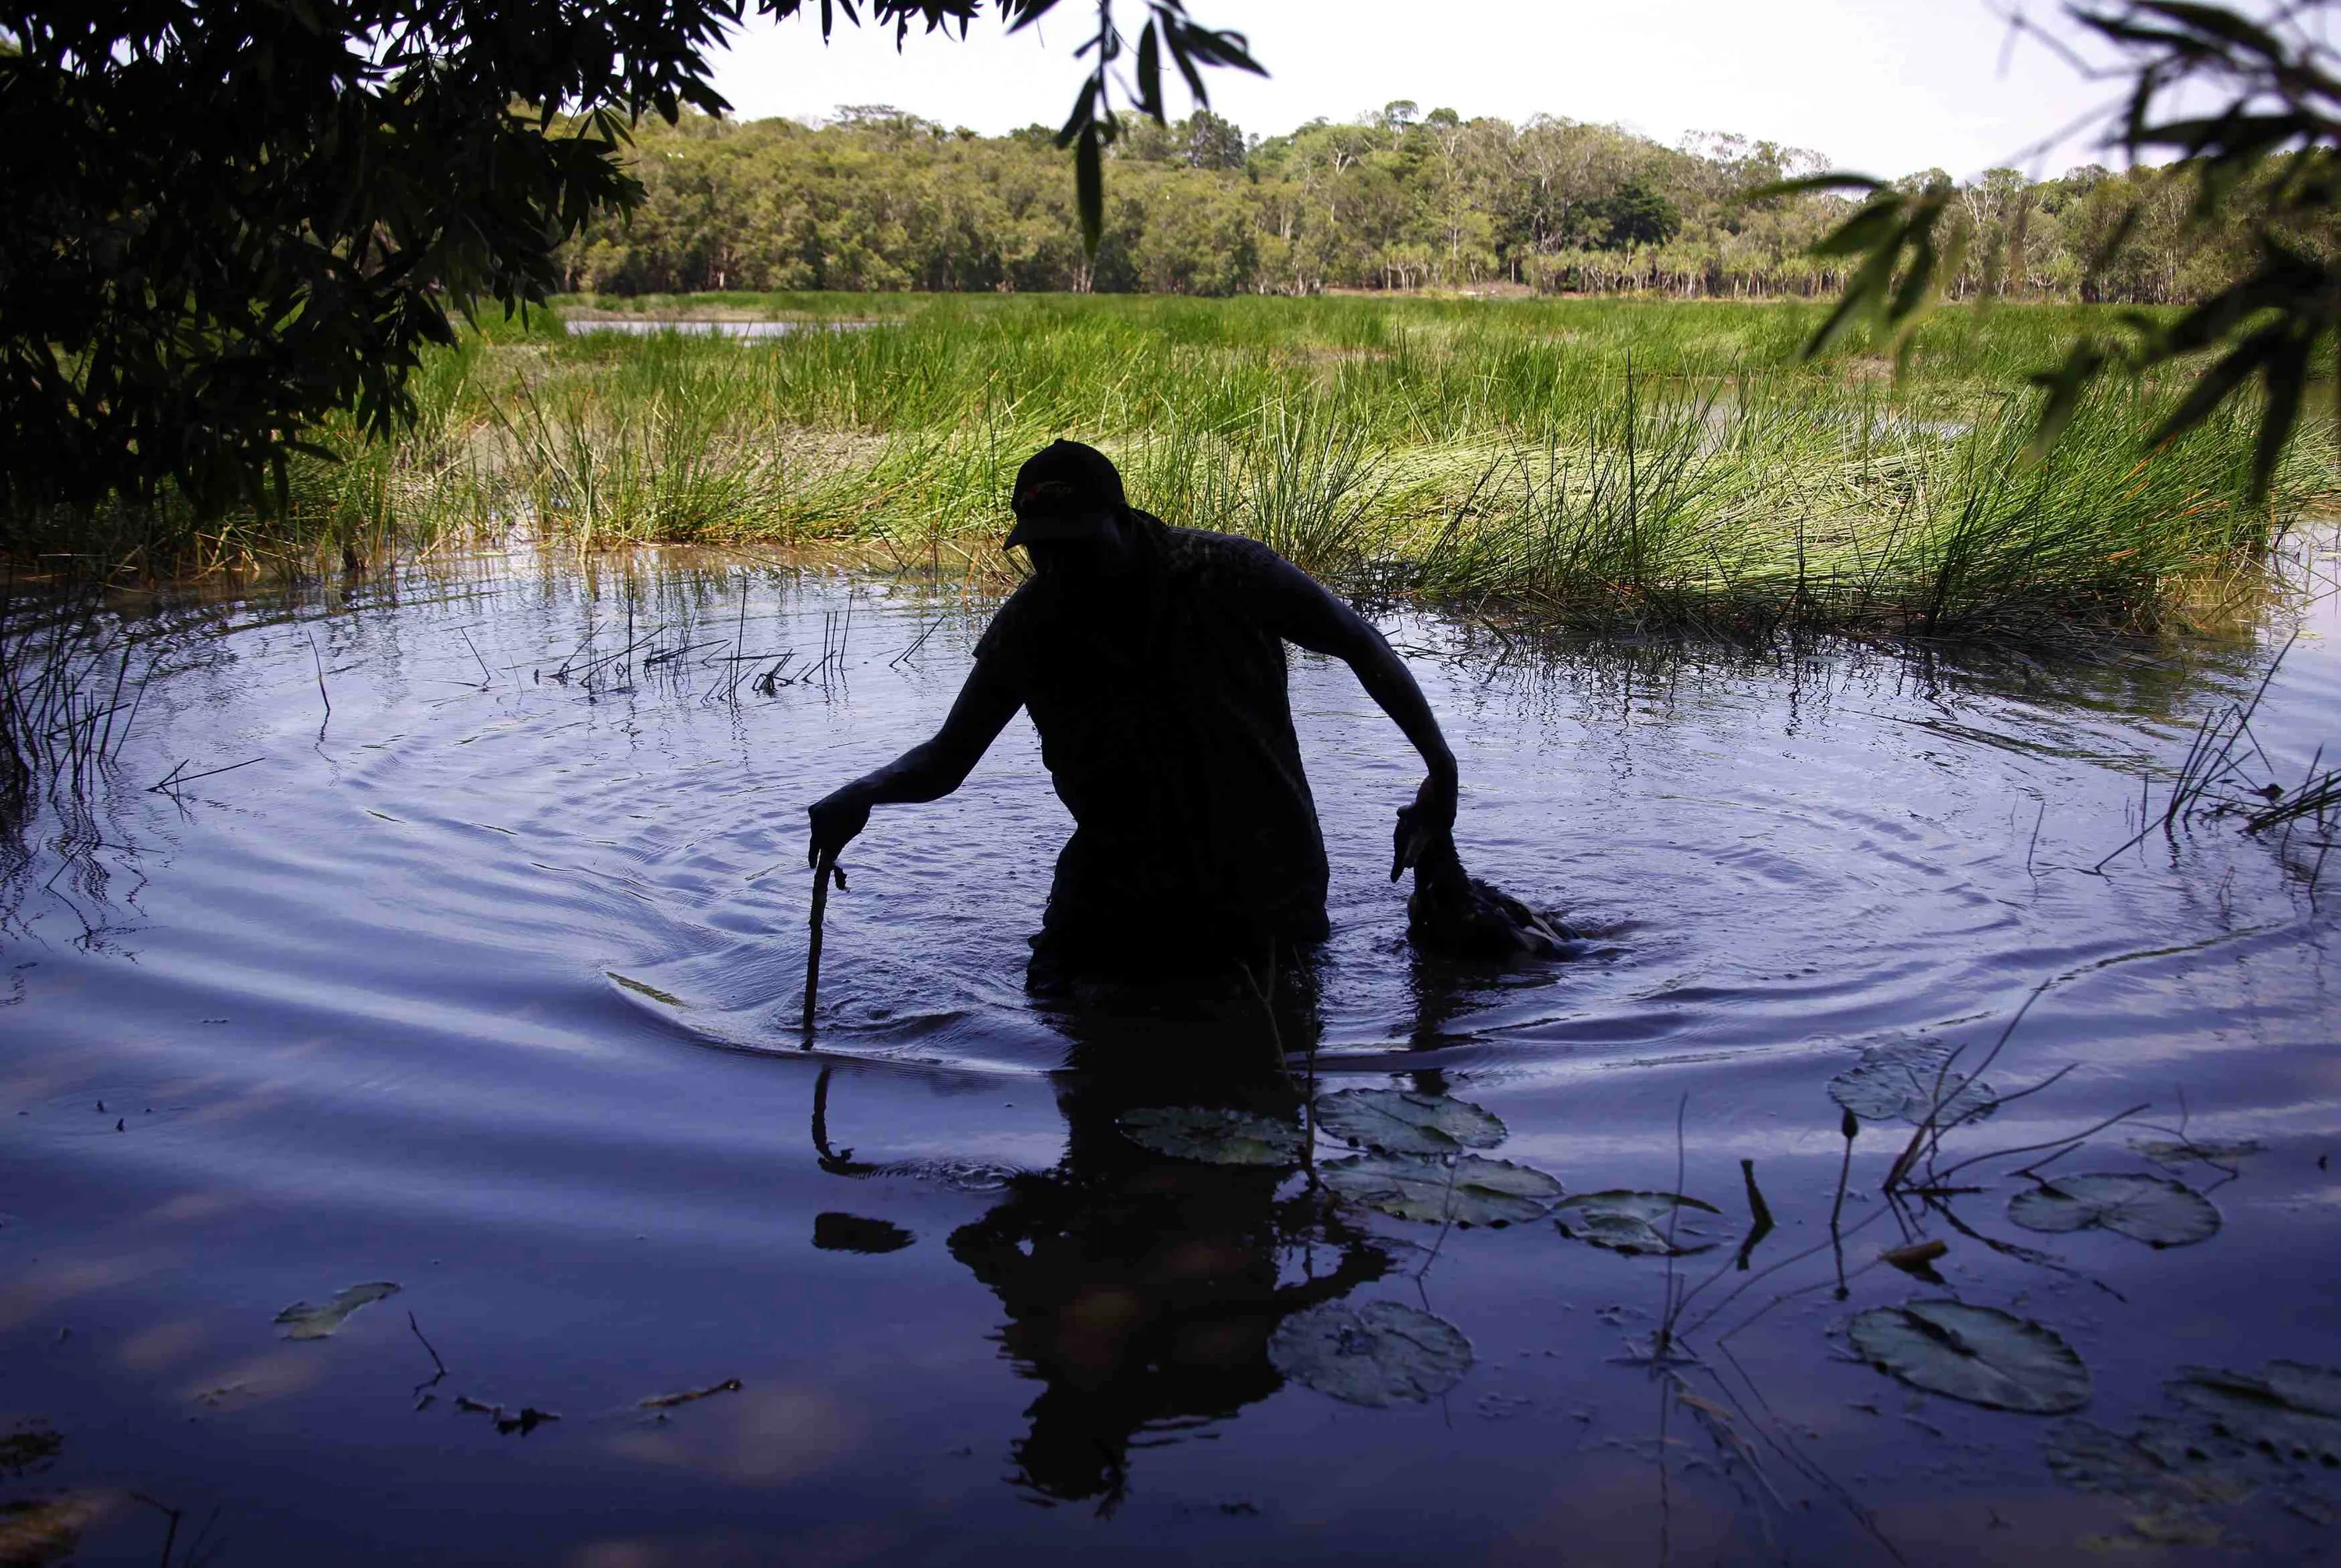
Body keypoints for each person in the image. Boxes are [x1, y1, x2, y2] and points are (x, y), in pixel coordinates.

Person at [805, 438, 1465, 989]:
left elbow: (1360, 642)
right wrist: (864, 792)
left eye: (1077, 545)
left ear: (1121, 521)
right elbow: (949, 759)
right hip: (1116, 878)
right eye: (1043, 548)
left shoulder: (1230, 572)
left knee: (1267, 1062)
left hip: (1264, 874)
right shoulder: (1033, 626)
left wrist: (1441, 766)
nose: (1062, 566)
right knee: (1073, 1046)